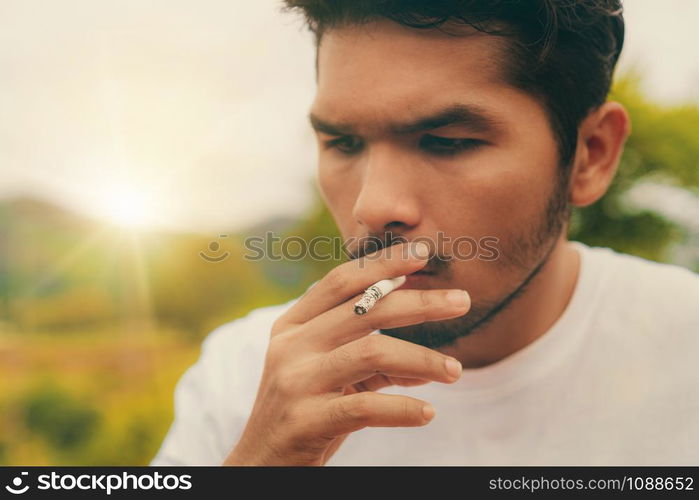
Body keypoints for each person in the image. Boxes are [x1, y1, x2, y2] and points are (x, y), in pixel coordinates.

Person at [150, 0, 699, 466]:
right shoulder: (242, 376)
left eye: (447, 141)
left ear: (591, 156)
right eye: (343, 144)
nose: (373, 206)